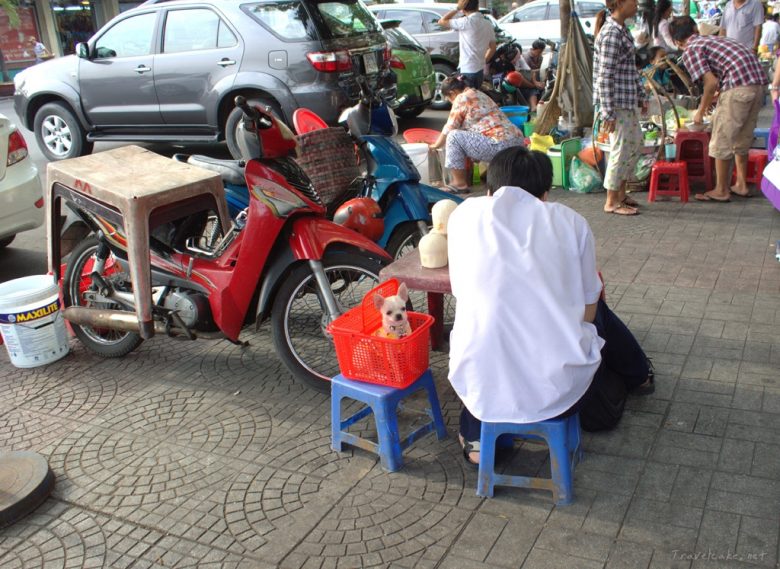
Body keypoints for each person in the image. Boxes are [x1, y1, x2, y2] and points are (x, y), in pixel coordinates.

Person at [447, 146, 654, 465]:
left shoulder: (463, 215)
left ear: (489, 190)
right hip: (560, 393)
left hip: (476, 381)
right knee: (598, 313)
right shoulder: (570, 221)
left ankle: (478, 442)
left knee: (488, 337)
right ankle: (639, 374)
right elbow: (588, 309)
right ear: (545, 193)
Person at [670, 15, 767, 200]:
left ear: (676, 41)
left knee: (720, 139)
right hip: (757, 87)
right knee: (741, 138)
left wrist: (700, 110)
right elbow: (722, 76)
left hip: (739, 88)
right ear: (696, 30)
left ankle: (721, 190)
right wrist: (718, 95)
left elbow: (711, 83)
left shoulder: (691, 49)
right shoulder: (713, 40)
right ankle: (741, 185)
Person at [593, 0, 648, 216]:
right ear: (620, 3)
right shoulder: (611, 33)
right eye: (632, 1)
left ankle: (621, 194)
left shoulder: (621, 30)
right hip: (616, 104)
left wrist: (641, 96)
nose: (636, 4)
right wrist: (607, 112)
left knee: (633, 146)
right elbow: (604, 76)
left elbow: (630, 70)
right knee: (621, 149)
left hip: (626, 100)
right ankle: (611, 201)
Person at [429, 75, 524, 192]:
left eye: (448, 98)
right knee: (465, 136)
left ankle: (459, 183)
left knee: (453, 136)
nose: (450, 102)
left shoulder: (461, 97)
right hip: (518, 141)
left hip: (500, 145)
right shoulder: (478, 93)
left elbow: (449, 127)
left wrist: (435, 145)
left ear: (452, 93)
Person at [438, 0, 496, 88]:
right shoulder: (487, 24)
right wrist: (483, 62)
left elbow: (441, 21)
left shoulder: (465, 22)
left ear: (463, 9)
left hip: (467, 71)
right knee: (475, 98)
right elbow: (492, 48)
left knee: (466, 100)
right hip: (480, 71)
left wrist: (457, 8)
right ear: (477, 7)